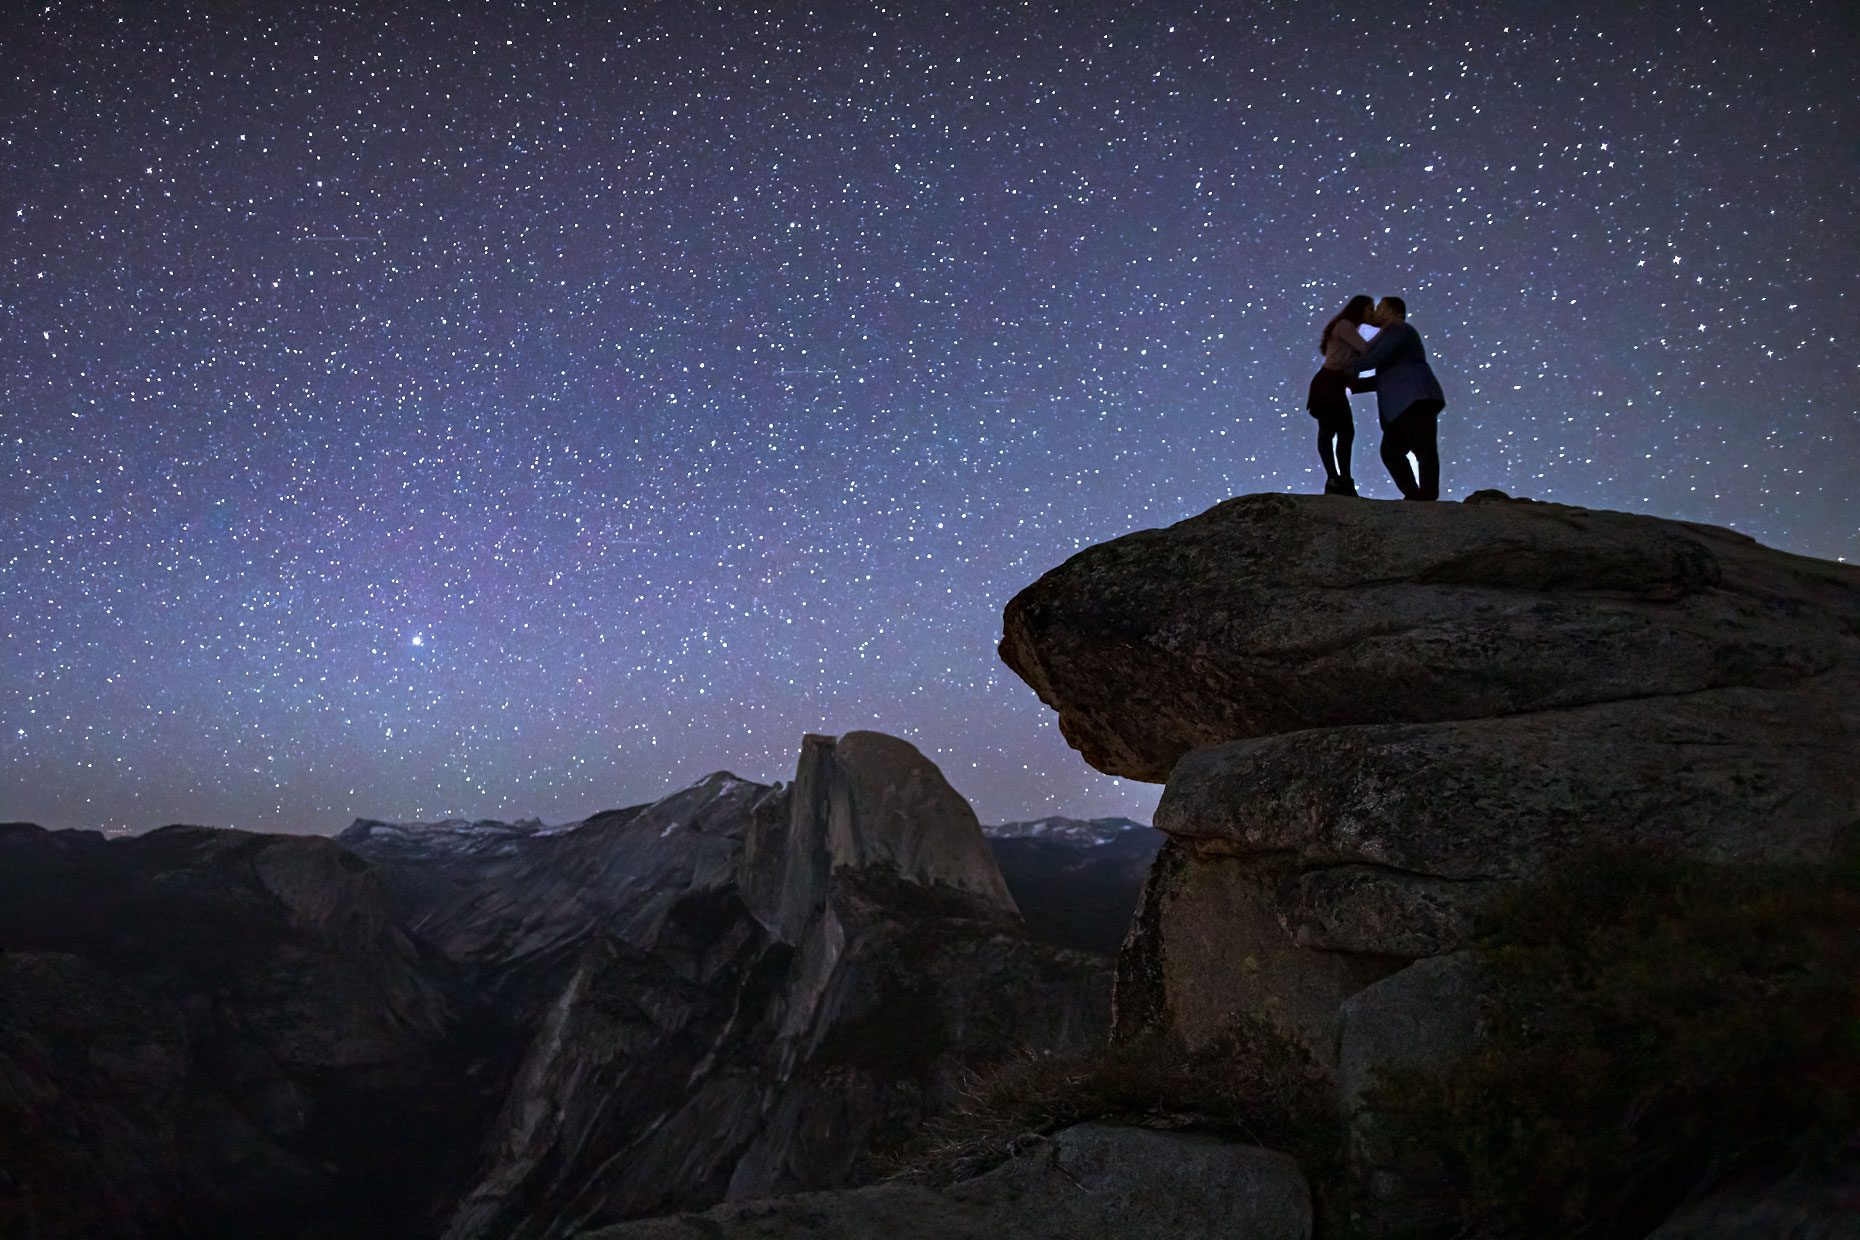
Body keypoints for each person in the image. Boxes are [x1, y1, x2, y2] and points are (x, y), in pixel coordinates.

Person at [1348, 296, 1447, 500]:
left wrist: (1345, 368)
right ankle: (1420, 496)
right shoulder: (1397, 333)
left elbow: (1377, 357)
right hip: (1411, 399)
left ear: (1392, 311)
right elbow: (1386, 377)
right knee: (1399, 450)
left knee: (1418, 449)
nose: (1375, 311)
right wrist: (1354, 385)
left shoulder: (1396, 328)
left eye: (1380, 307)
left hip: (1413, 399)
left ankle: (1424, 497)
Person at [1306, 294, 1373, 496]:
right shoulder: (1345, 325)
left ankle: (1341, 479)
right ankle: (1336, 479)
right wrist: (1384, 328)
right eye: (1370, 309)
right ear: (1360, 309)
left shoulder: (1346, 327)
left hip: (1333, 384)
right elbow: (1366, 349)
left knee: (1343, 431)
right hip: (1328, 383)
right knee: (1331, 430)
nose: (1372, 313)